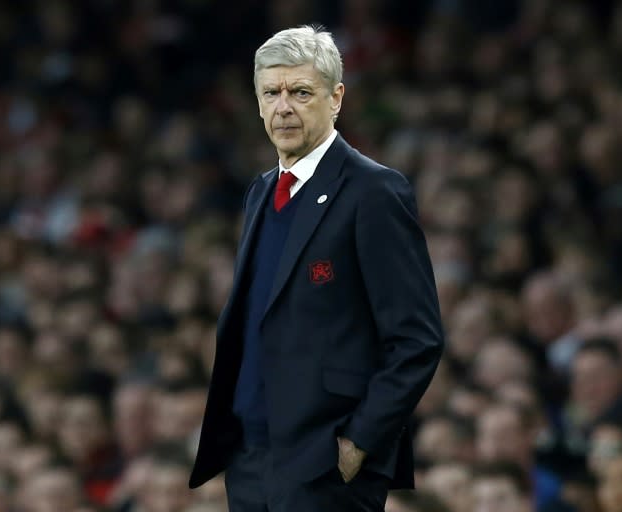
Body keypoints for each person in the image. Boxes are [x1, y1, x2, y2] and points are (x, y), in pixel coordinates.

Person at [189, 25, 444, 511]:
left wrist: (359, 443)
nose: (284, 106)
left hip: (325, 465)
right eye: (271, 93)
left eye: (300, 92)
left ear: (336, 98)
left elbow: (417, 339)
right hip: (251, 460)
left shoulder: (374, 192)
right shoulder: (262, 191)